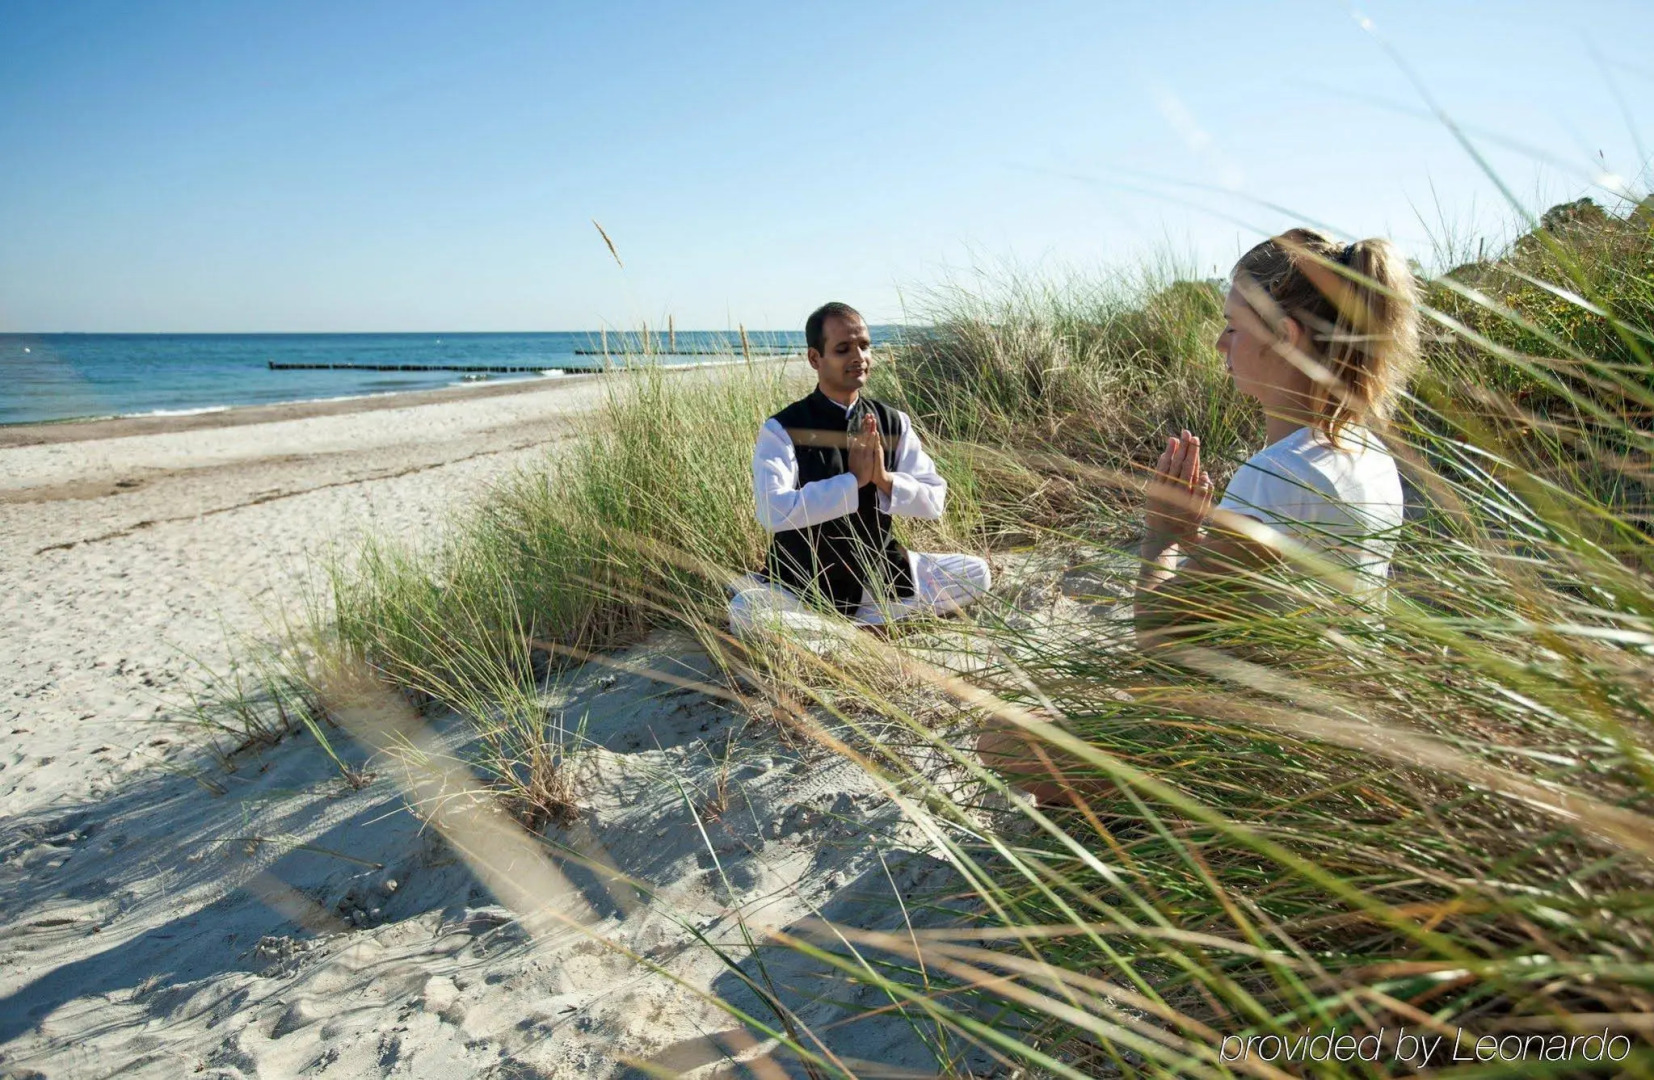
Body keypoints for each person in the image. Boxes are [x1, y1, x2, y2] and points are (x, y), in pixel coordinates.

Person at [981, 228, 1421, 805]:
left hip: (1264, 759)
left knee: (1002, 735)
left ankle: (1141, 820)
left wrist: (1163, 535)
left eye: (1234, 327)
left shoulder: (1279, 475)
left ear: (1285, 339)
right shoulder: (1366, 451)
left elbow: (1161, 636)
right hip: (1344, 732)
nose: (1220, 343)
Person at [727, 301, 991, 645]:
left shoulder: (893, 421)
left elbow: (934, 500)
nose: (859, 357)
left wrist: (883, 479)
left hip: (878, 577)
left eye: (864, 346)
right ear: (814, 359)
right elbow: (772, 512)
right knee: (746, 612)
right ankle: (860, 630)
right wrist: (853, 482)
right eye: (842, 349)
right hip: (804, 581)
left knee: (976, 574)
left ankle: (844, 633)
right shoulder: (783, 428)